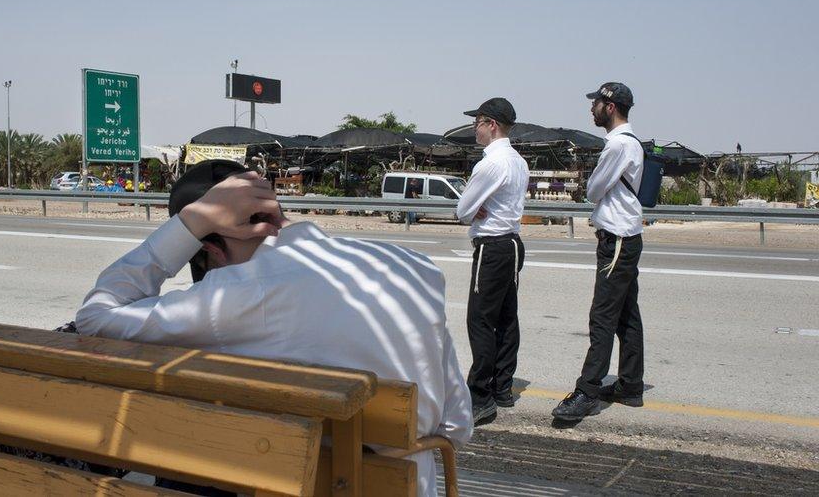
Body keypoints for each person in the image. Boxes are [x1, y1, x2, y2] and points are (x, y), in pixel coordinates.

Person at [76, 160, 472, 497]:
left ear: (209, 249)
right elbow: (457, 424)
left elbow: (95, 317)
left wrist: (190, 223)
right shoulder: (415, 266)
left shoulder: (242, 291)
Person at [552, 82, 645, 421]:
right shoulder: (627, 142)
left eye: (596, 103)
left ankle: (588, 391)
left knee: (602, 317)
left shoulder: (618, 145)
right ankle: (630, 386)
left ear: (610, 107)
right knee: (626, 315)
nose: (591, 109)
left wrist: (594, 187)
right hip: (624, 236)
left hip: (617, 239)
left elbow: (592, 190)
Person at [455, 98, 529, 425]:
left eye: (479, 122)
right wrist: (479, 205)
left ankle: (480, 396)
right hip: (513, 243)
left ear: (492, 125)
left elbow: (462, 211)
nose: (475, 127)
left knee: (480, 320)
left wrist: (476, 207)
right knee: (507, 316)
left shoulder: (490, 164)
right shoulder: (518, 161)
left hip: (492, 247)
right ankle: (503, 386)